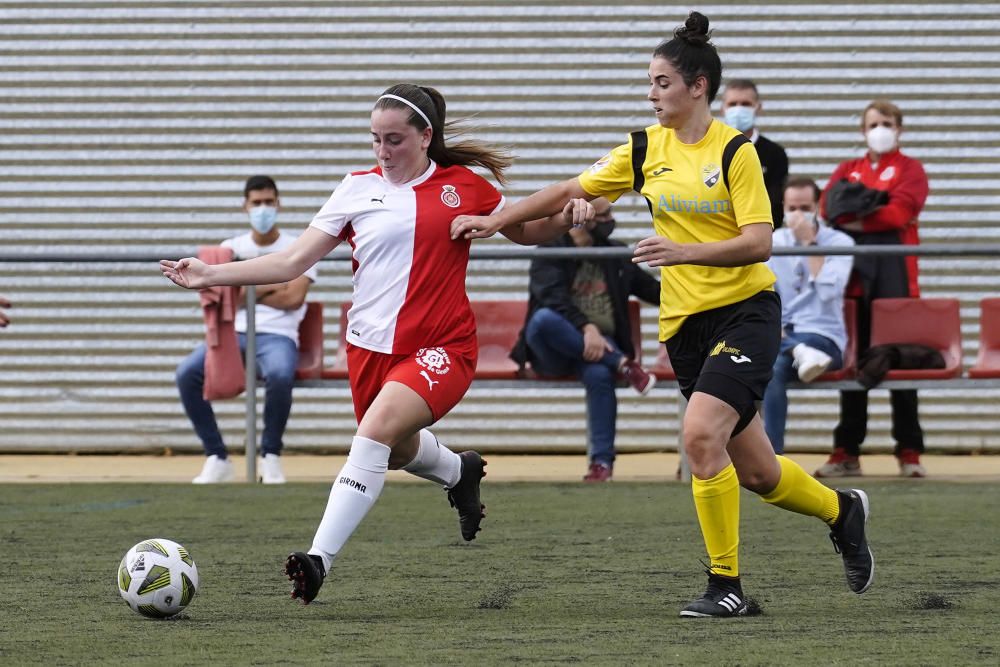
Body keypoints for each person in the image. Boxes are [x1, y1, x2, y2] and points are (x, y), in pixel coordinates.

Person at [451, 12, 874, 618]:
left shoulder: (736, 152)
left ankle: (725, 586)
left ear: (698, 86)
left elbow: (759, 242)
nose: (650, 95)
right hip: (684, 327)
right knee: (756, 472)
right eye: (648, 83)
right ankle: (843, 511)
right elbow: (570, 189)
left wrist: (684, 251)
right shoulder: (644, 149)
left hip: (746, 313)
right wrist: (498, 220)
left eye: (661, 83)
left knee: (701, 437)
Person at [161, 83, 591, 604]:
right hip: (369, 350)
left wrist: (566, 218)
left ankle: (319, 560)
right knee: (392, 449)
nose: (382, 152)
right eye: (374, 140)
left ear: (425, 137)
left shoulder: (463, 186)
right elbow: (292, 262)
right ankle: (459, 471)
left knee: (375, 432)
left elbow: (525, 231)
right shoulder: (355, 188)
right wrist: (212, 274)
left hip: (443, 347)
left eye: (394, 140)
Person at [174, 175, 317, 486]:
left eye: (268, 202)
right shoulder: (229, 248)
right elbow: (227, 298)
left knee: (280, 375)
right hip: (233, 334)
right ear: (245, 206)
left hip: (278, 336)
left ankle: (271, 455)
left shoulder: (298, 247)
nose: (263, 209)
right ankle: (217, 456)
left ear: (279, 204)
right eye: (257, 203)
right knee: (187, 373)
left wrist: (247, 285)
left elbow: (293, 298)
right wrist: (273, 283)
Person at [816, 99, 930, 479]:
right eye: (872, 124)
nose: (878, 129)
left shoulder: (911, 170)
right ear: (862, 131)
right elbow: (828, 209)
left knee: (902, 361)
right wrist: (863, 208)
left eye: (886, 123)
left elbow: (899, 213)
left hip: (897, 277)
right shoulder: (849, 169)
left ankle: (909, 452)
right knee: (855, 362)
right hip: (855, 282)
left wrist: (857, 217)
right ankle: (846, 450)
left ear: (899, 128)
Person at [511, 198, 660, 482]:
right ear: (584, 219)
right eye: (604, 216)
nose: (610, 221)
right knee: (543, 319)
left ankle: (601, 464)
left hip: (595, 353)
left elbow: (653, 291)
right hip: (552, 352)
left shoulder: (614, 254)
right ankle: (622, 364)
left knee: (600, 374)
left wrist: (693, 276)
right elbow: (551, 300)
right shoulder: (551, 251)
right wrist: (586, 328)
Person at [763, 177, 854, 454]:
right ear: (783, 207)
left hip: (823, 338)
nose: (798, 214)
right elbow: (762, 291)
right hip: (783, 333)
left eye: (805, 207)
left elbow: (828, 291)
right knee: (767, 368)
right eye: (792, 208)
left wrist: (810, 243)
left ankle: (770, 457)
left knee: (772, 366)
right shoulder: (773, 241)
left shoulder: (840, 242)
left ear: (818, 206)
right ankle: (768, 460)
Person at [720, 79, 788, 229]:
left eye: (745, 104)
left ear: (758, 107)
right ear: (722, 108)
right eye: (732, 104)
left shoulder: (775, 153)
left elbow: (775, 204)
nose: (739, 109)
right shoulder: (710, 147)